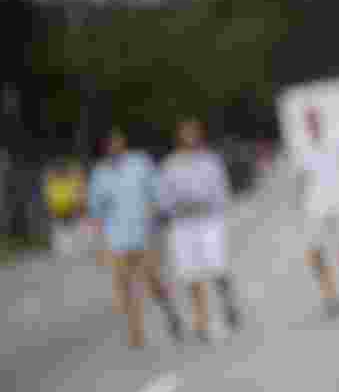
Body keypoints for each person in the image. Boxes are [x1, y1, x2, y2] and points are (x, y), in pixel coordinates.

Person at [88, 128, 183, 348]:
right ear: (104, 148)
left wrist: (157, 214)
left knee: (152, 281)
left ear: (123, 143)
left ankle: (168, 309)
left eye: (117, 142)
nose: (114, 147)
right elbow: (96, 212)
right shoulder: (99, 174)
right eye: (109, 144)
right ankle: (136, 332)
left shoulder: (140, 163)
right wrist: (100, 245)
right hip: (117, 239)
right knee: (124, 285)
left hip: (144, 234)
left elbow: (157, 193)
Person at [158, 118, 242, 343]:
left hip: (208, 220)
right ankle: (201, 318)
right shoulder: (170, 165)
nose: (190, 138)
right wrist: (177, 207)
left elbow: (221, 191)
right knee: (191, 272)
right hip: (184, 224)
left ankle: (227, 301)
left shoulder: (210, 161)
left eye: (193, 133)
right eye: (186, 134)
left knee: (217, 266)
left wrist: (212, 206)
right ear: (179, 137)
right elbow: (164, 198)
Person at [296, 106, 339, 318]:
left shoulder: (338, 138)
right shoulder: (301, 147)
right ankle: (329, 294)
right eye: (308, 120)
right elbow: (300, 178)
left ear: (321, 119)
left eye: (315, 118)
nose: (312, 123)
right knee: (315, 250)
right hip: (315, 205)